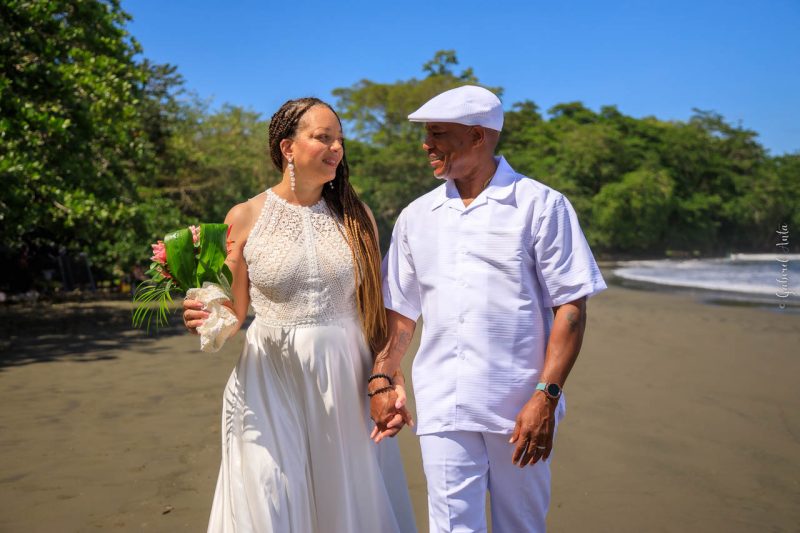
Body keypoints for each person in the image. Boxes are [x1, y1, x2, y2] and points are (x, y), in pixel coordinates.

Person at [369, 85, 607, 532]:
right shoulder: (416, 217)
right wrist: (382, 377)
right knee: (451, 527)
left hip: (519, 403)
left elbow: (571, 309)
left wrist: (546, 396)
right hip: (441, 401)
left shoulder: (541, 205)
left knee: (521, 525)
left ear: (478, 136)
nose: (427, 145)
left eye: (438, 133)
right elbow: (401, 311)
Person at [182, 97, 416, 532]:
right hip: (269, 378)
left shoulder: (357, 217)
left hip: (344, 374)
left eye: (340, 140)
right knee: (271, 491)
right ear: (288, 148)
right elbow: (232, 315)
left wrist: (389, 378)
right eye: (323, 137)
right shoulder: (244, 216)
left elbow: (376, 310)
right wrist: (203, 313)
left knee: (343, 496)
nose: (336, 148)